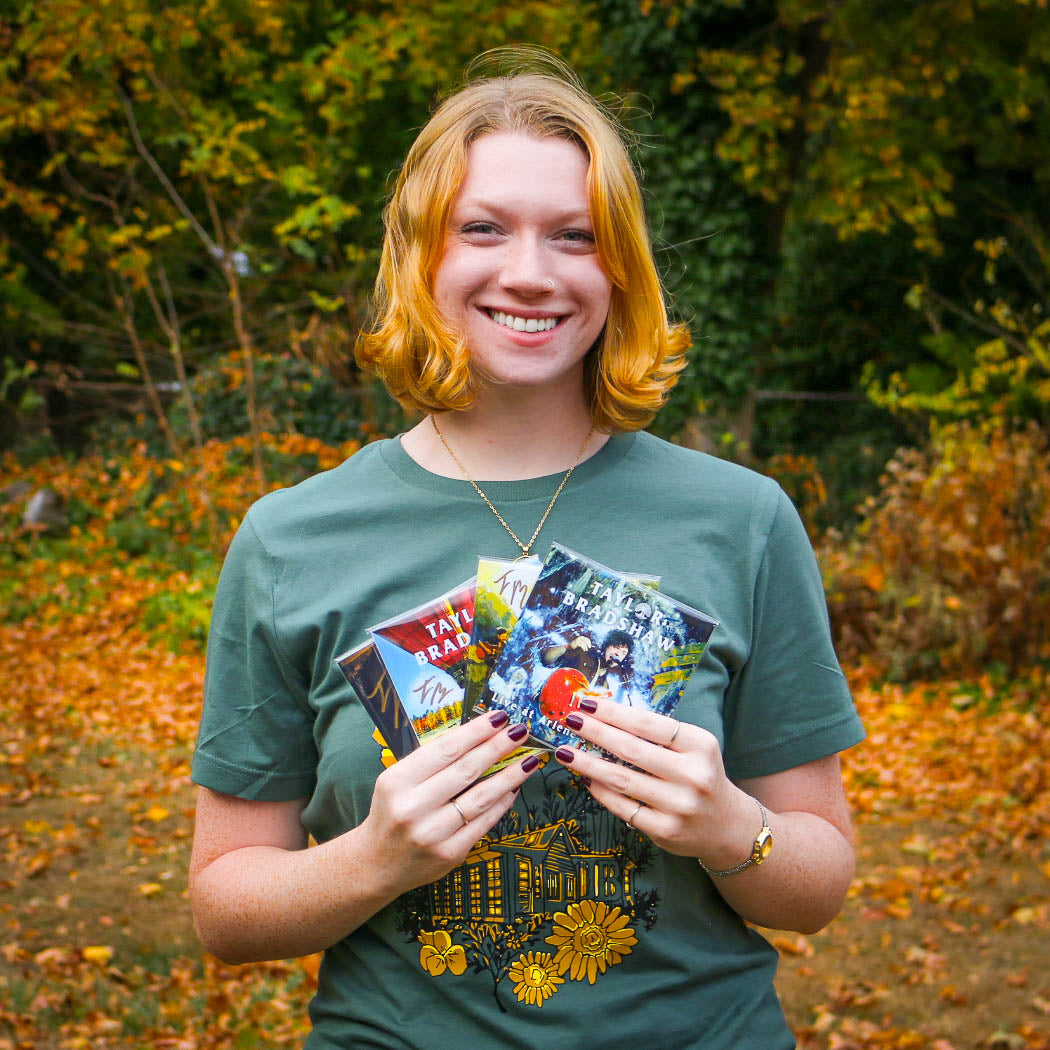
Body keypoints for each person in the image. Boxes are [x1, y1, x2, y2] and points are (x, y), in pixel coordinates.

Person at [190, 48, 864, 1049]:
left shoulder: (742, 519)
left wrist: (728, 825)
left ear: (620, 267)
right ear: (424, 254)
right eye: (483, 229)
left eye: (574, 237)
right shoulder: (291, 538)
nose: (530, 273)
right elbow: (223, 910)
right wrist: (375, 854)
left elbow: (816, 888)